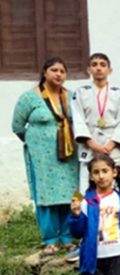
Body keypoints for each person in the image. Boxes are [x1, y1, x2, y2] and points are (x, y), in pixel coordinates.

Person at [11, 56, 79, 258]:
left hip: (69, 154)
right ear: (44, 73)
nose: (58, 74)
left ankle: (67, 237)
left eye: (62, 71)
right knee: (46, 195)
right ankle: (50, 240)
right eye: (54, 70)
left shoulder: (72, 96)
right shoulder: (29, 98)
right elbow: (17, 126)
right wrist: (38, 142)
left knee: (69, 193)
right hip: (42, 157)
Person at [71, 53, 120, 195]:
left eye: (103, 65)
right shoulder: (80, 93)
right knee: (86, 185)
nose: (98, 68)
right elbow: (77, 118)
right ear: (88, 70)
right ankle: (88, 213)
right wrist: (92, 144)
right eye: (94, 65)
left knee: (113, 183)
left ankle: (115, 215)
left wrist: (111, 144)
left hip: (112, 145)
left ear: (110, 70)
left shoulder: (119, 94)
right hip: (89, 142)